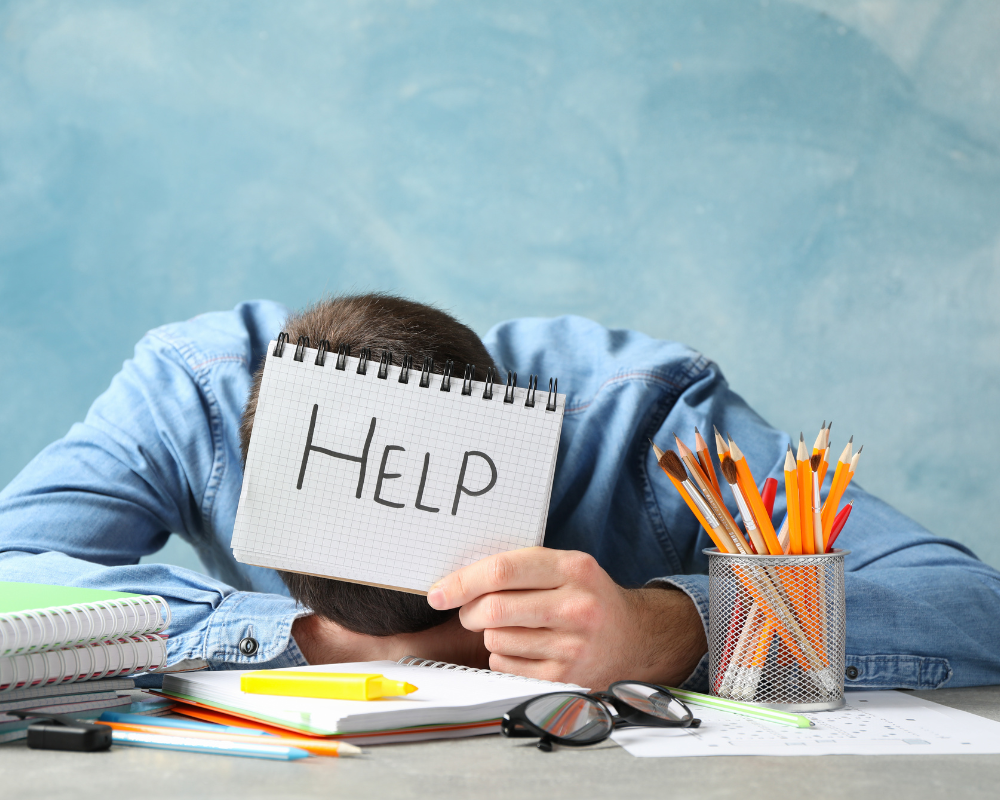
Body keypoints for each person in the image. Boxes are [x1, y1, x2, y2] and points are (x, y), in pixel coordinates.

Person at [1, 294, 998, 692]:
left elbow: (972, 605)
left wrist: (668, 626)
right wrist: (308, 636)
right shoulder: (193, 392)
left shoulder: (636, 416)